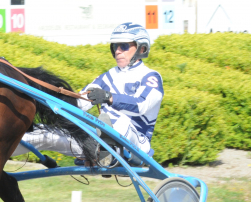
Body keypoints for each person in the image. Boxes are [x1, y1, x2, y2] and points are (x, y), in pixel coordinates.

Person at [13, 22, 164, 163]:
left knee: (115, 120)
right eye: (115, 46)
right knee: (43, 134)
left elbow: (142, 105)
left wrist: (108, 97)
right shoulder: (107, 77)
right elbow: (80, 103)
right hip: (98, 138)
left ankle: (105, 150)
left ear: (141, 49)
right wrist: (46, 99)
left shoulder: (151, 77)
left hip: (136, 146)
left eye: (124, 46)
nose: (118, 51)